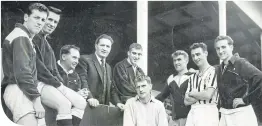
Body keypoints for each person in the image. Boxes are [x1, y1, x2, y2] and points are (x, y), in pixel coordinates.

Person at [33, 6, 86, 126]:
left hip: (49, 84)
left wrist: (61, 84)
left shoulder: (47, 44)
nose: (52, 24)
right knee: (64, 104)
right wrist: (58, 85)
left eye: (55, 22)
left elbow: (54, 71)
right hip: (37, 83)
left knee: (81, 103)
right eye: (50, 20)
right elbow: (40, 69)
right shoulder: (34, 38)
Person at [2, 3, 48, 126]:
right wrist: (37, 101)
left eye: (43, 19)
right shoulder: (20, 37)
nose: (40, 22)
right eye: (36, 18)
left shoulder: (24, 37)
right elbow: (23, 74)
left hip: (24, 91)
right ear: (26, 17)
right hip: (18, 90)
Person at [214, 35, 262, 126]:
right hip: (225, 114)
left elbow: (260, 78)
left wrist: (246, 99)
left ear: (231, 47)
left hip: (240, 113)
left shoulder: (240, 63)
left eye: (223, 47)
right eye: (217, 48)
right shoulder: (220, 68)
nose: (220, 51)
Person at [76, 34, 121, 108]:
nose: (105, 48)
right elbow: (82, 81)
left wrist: (118, 103)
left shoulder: (108, 67)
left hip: (102, 109)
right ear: (96, 46)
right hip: (87, 106)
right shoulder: (85, 60)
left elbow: (111, 89)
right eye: (102, 45)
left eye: (108, 46)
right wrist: (90, 98)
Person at [184, 43, 219, 126]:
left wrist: (192, 93)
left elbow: (208, 95)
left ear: (206, 53)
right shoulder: (192, 77)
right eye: (193, 56)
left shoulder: (213, 71)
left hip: (208, 111)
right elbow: (186, 101)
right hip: (193, 111)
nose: (195, 58)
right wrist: (201, 94)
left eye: (198, 54)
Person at [156, 50, 193, 126]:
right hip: (175, 121)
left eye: (179, 59)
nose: (176, 63)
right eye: (174, 60)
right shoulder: (171, 78)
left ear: (186, 61)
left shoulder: (193, 76)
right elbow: (161, 96)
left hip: (191, 119)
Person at [113, 43, 145, 108]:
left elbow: (145, 87)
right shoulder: (120, 66)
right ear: (128, 53)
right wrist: (141, 93)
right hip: (124, 105)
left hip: (137, 104)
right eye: (134, 53)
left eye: (139, 54)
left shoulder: (140, 71)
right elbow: (124, 87)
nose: (136, 56)